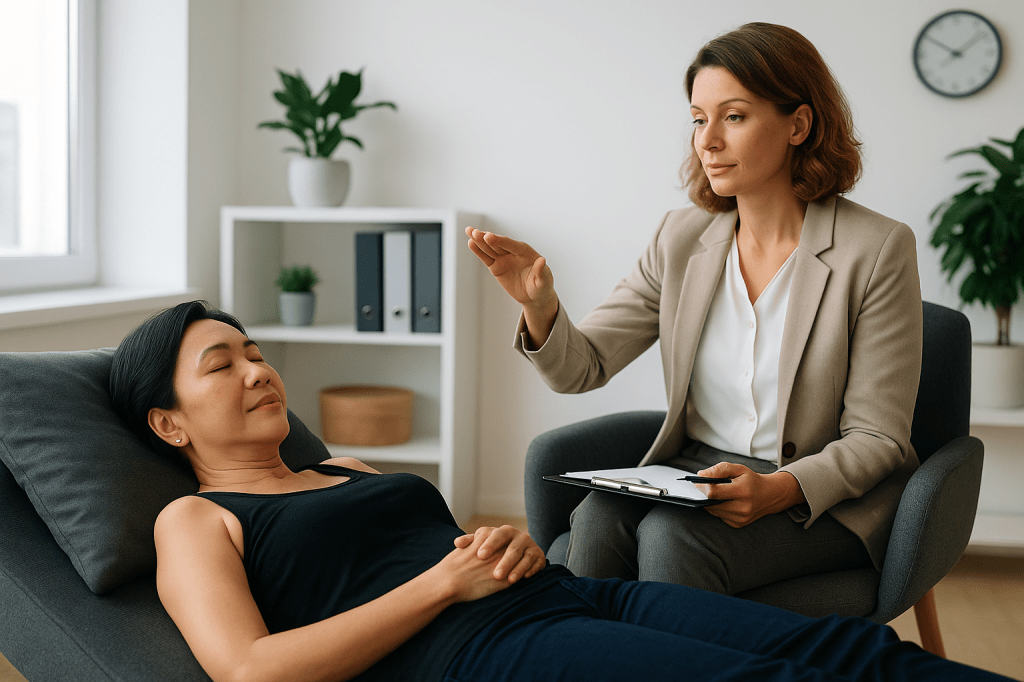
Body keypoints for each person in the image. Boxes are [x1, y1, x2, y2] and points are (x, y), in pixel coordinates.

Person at [107, 300, 1008, 682]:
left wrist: (508, 548)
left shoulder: (351, 468)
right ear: (169, 424)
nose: (256, 371)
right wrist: (445, 586)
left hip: (570, 595)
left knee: (849, 653)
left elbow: (451, 555)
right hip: (477, 654)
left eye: (255, 352)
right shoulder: (196, 518)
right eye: (220, 365)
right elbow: (250, 670)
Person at [467, 21, 922, 596]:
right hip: (697, 471)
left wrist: (779, 488)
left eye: (733, 116)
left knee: (671, 537)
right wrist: (540, 306)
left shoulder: (877, 248)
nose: (707, 140)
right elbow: (580, 369)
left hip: (820, 495)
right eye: (698, 119)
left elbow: (878, 437)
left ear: (798, 125)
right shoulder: (681, 238)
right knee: (599, 520)